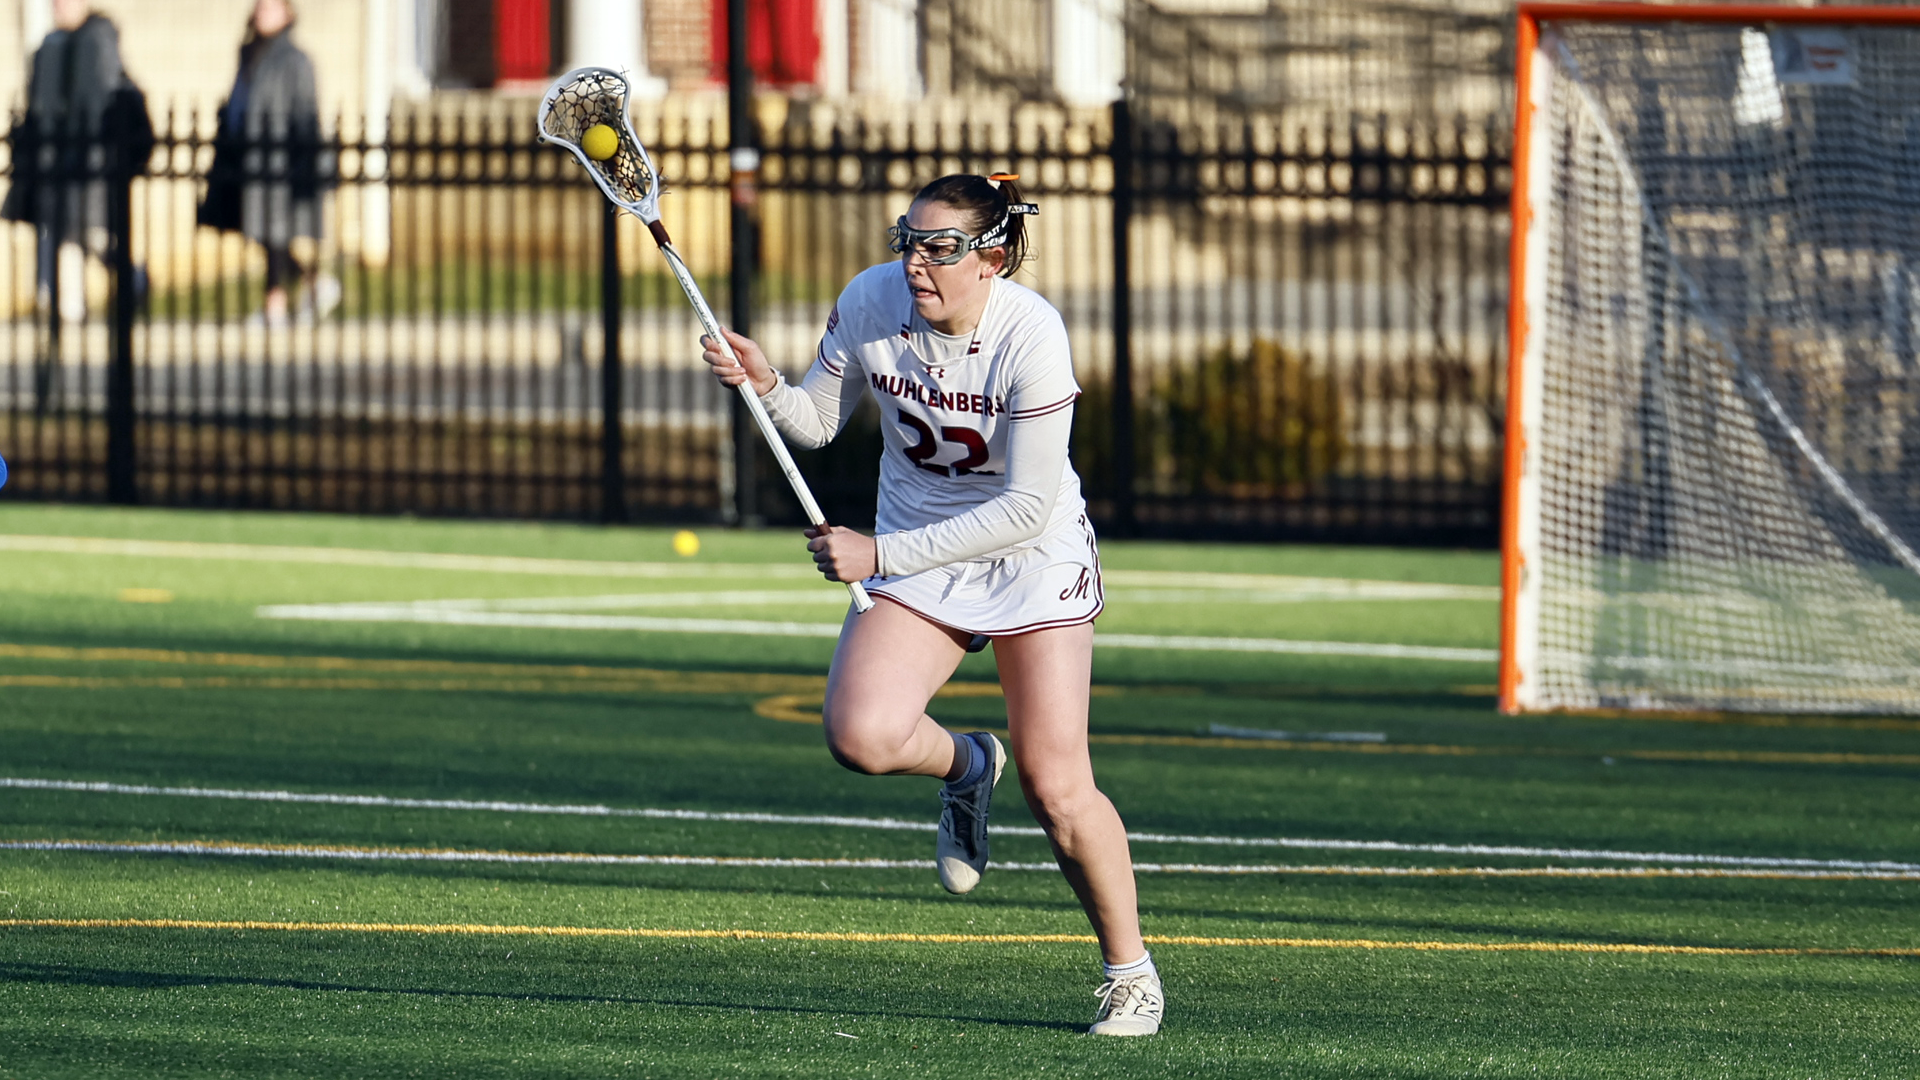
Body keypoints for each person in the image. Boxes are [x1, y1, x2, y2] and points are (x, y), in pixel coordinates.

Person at [700, 174, 1163, 1037]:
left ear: (991, 258)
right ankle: (964, 768)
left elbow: (1025, 508)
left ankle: (1129, 972)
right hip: (921, 549)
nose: (916, 261)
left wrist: (877, 554)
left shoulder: (1033, 334)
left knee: (1058, 787)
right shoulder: (871, 301)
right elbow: (813, 423)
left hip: (1030, 555)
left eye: (940, 246)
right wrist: (765, 384)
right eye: (906, 239)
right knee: (861, 737)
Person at [198, 0, 330, 327]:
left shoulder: (295, 59)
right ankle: (314, 283)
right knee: (259, 230)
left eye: (270, 8)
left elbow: (304, 111)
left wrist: (304, 158)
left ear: (288, 13)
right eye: (260, 8)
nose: (262, 14)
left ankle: (276, 305)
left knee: (273, 233)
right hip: (246, 156)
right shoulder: (249, 54)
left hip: (280, 160)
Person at [3, 0, 126, 328]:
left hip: (87, 161)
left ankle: (130, 281)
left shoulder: (99, 41)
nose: (59, 7)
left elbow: (104, 97)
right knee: (56, 233)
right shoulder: (47, 47)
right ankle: (63, 306)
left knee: (92, 235)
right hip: (51, 161)